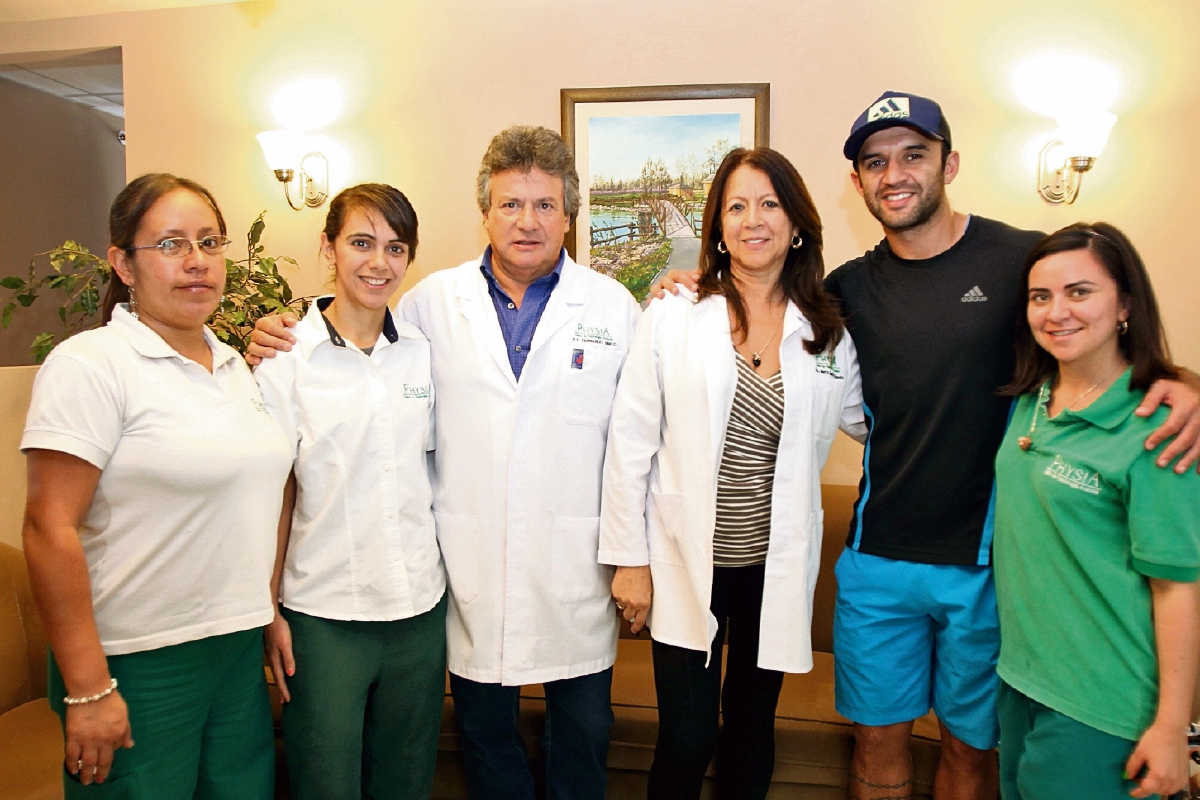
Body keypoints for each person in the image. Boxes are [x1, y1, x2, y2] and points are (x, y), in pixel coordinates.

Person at [649, 91, 1200, 799]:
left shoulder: (1022, 263)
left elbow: (1097, 326)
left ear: (950, 161)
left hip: (986, 563)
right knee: (875, 748)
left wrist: (1182, 381)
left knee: (971, 753)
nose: (895, 174)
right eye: (876, 162)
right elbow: (778, 326)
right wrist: (689, 282)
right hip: (878, 561)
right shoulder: (840, 295)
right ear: (857, 183)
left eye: (914, 155)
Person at [247, 126, 642, 800]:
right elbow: (357, 351)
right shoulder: (431, 304)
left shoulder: (614, 307)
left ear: (569, 217)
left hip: (576, 571)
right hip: (468, 572)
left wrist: (635, 556)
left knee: (583, 738)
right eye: (510, 204)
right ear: (484, 213)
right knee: (488, 744)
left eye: (544, 205)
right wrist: (275, 332)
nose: (527, 221)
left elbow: (638, 442)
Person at [600, 147, 867, 800]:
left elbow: (878, 420)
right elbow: (630, 439)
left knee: (752, 731)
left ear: (797, 223)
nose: (754, 220)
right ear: (718, 225)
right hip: (686, 566)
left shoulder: (828, 334)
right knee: (688, 739)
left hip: (769, 570)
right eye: (737, 206)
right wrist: (629, 561)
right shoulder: (674, 313)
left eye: (770, 204)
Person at [20, 173, 293, 798]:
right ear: (123, 263)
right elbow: (47, 527)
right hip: (136, 659)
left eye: (209, 242)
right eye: (170, 245)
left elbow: (263, 494)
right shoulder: (89, 364)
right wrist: (88, 686)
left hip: (232, 652)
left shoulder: (235, 367)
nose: (197, 261)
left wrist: (267, 609)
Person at [993, 223, 1199, 800]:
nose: (1057, 312)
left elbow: (1178, 588)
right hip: (1020, 682)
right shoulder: (1030, 403)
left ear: (1126, 303)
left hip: (1100, 703)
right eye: (1041, 296)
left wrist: (1171, 728)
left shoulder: (1160, 429)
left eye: (1080, 292)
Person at [253, 184, 446, 800]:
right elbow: (273, 492)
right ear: (329, 247)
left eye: (395, 248)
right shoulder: (286, 359)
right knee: (326, 779)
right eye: (361, 243)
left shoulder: (422, 353)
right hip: (325, 612)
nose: (378, 262)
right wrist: (269, 607)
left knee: (407, 779)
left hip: (419, 608)